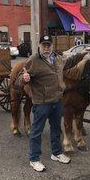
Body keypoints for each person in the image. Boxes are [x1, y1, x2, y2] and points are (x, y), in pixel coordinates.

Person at [21, 35, 71, 172]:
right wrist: (24, 78)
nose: (46, 48)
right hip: (42, 102)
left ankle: (56, 153)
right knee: (37, 131)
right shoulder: (34, 60)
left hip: (57, 100)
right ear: (39, 46)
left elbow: (69, 61)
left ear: (52, 46)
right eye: (44, 45)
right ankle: (34, 159)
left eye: (48, 45)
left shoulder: (58, 59)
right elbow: (23, 77)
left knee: (56, 129)